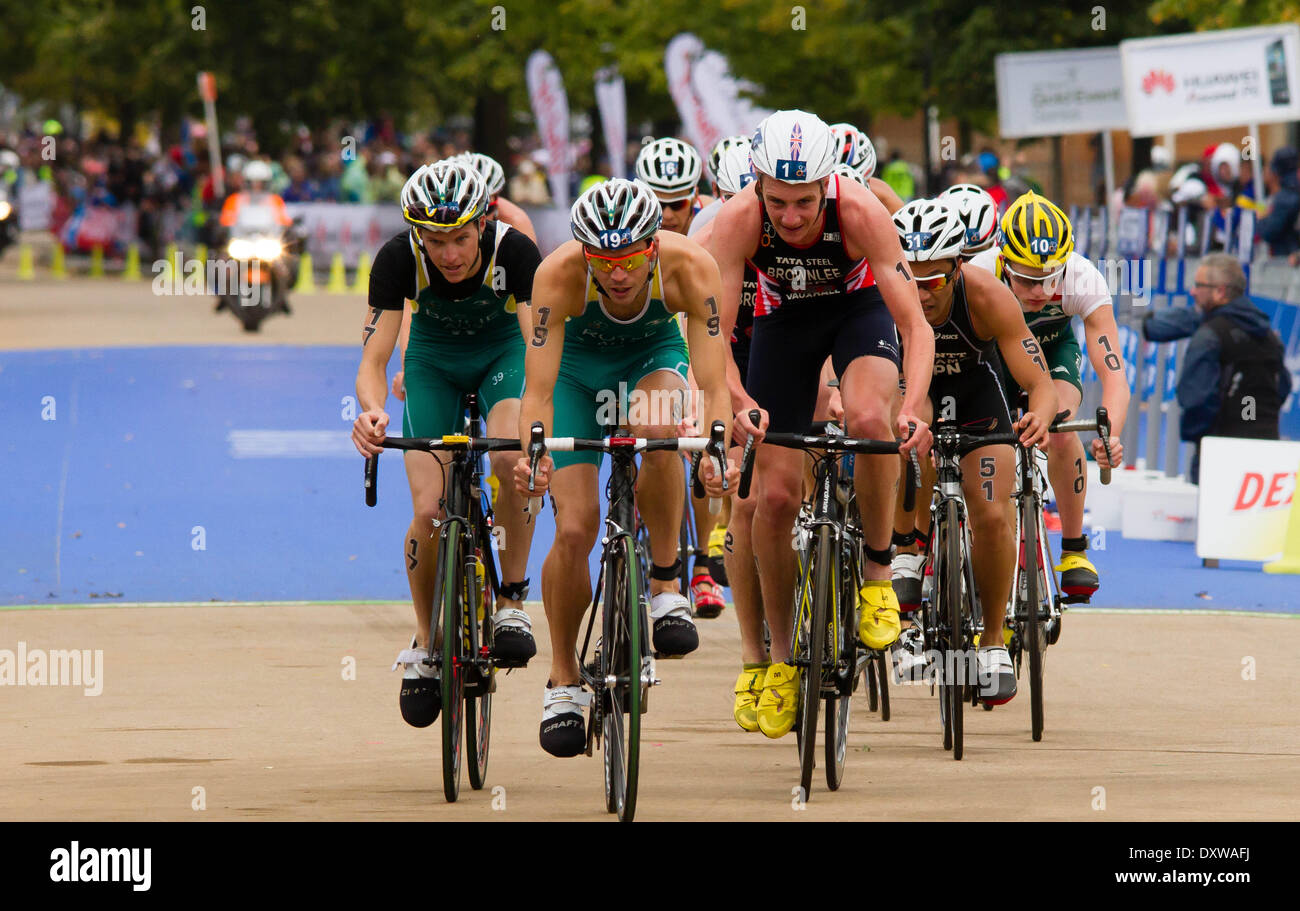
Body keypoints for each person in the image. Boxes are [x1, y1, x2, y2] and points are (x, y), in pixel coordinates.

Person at [704, 109, 933, 739]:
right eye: (778, 202)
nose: (793, 218)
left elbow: (914, 325)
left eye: (805, 203)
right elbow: (713, 330)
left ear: (827, 186)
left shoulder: (858, 210)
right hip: (784, 327)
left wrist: (911, 403)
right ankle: (781, 659)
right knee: (772, 499)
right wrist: (736, 394)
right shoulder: (738, 221)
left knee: (866, 415)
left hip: (857, 313)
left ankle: (880, 574)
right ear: (756, 184)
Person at [512, 178, 738, 758]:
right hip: (575, 378)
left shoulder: (690, 266)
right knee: (575, 526)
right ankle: (563, 679)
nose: (617, 274)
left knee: (662, 429)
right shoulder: (557, 275)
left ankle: (665, 582)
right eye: (604, 261)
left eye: (631, 259)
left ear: (654, 248)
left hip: (651, 358)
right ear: (585, 252)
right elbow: (536, 391)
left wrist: (717, 448)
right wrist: (533, 456)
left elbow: (713, 382)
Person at [350, 159, 542, 728]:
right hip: (432, 362)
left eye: (460, 238)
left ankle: (510, 600)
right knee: (430, 510)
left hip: (503, 358)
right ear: (418, 236)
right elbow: (373, 360)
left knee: (509, 456)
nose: (450, 254)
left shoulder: (516, 252)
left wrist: (535, 423)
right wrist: (373, 411)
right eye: (436, 241)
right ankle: (429, 639)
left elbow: (538, 346)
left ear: (483, 224)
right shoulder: (395, 260)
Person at [888, 199, 1058, 698]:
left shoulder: (986, 294)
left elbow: (1038, 381)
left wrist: (1041, 416)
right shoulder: (880, 296)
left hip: (977, 401)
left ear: (958, 267)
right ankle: (907, 554)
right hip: (910, 397)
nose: (918, 295)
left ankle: (991, 643)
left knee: (989, 510)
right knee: (906, 440)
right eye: (908, 281)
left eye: (932, 282)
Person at [965, 192, 1128, 600]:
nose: (1039, 291)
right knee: (984, 434)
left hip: (1055, 349)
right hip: (994, 354)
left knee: (1059, 425)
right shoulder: (978, 272)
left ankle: (1073, 549)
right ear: (1002, 261)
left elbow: (1114, 376)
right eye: (1026, 280)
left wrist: (1112, 436)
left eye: (1050, 278)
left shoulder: (1084, 277)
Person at [636, 136, 725, 616]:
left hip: (691, 326)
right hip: (649, 330)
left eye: (677, 202)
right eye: (658, 201)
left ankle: (705, 563)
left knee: (691, 439)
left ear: (696, 194)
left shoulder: (710, 222)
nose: (668, 214)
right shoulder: (627, 222)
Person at [1141, 253, 1291, 484]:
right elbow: (1282, 387)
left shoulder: (1210, 335)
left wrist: (1202, 436)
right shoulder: (1269, 335)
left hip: (1219, 450)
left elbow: (1194, 397)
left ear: (1220, 292)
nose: (1192, 291)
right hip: (1265, 448)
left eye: (1199, 285)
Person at [455, 151, 538, 244]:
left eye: (487, 209)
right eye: (467, 208)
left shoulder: (514, 220)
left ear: (496, 197)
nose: (478, 219)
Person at [1259, 147, 1300, 258]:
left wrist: (1262, 218)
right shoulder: (1292, 191)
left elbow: (1270, 232)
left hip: (1287, 256)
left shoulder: (1286, 196)